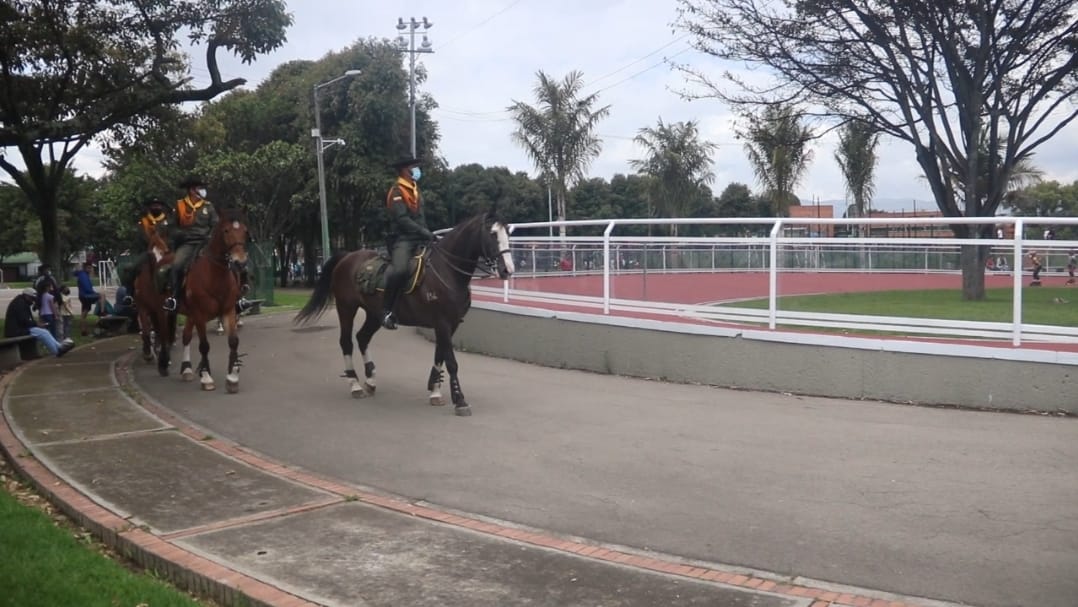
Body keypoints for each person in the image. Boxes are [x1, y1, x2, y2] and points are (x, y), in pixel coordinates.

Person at [381, 156, 436, 330]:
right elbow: (402, 219)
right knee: (400, 271)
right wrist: (423, 231)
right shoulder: (397, 191)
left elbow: (421, 217)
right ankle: (386, 311)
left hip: (420, 238)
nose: (417, 169)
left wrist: (428, 234)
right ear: (405, 170)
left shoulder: (415, 189)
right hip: (403, 240)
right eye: (414, 166)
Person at [164, 175, 218, 311]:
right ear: (192, 190)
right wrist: (181, 235)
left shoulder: (209, 206)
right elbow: (172, 227)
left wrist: (210, 236)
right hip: (188, 243)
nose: (202, 190)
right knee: (177, 265)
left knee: (228, 261)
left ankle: (237, 297)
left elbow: (215, 225)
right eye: (199, 188)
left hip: (206, 243)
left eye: (202, 187)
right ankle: (174, 298)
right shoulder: (179, 205)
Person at [120, 196, 173, 306]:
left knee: (178, 267)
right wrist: (151, 241)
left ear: (161, 207)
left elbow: (172, 235)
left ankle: (175, 296)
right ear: (150, 207)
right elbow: (141, 237)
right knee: (132, 268)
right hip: (148, 250)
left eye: (158, 205)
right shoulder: (143, 221)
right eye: (154, 205)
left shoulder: (167, 221)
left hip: (165, 250)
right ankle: (130, 295)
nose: (156, 207)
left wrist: (165, 246)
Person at [4, 288, 74, 357]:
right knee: (42, 333)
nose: (33, 301)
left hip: (20, 328)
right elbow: (23, 321)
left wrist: (36, 324)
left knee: (44, 331)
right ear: (26, 296)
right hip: (15, 331)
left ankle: (59, 347)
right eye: (32, 299)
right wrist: (36, 324)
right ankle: (56, 350)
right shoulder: (20, 304)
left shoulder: (22, 302)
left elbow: (26, 321)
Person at [73, 262, 100, 336]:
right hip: (86, 296)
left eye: (91, 268)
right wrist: (95, 293)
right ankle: (102, 312)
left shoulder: (83, 275)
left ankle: (83, 330)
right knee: (102, 296)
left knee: (84, 314)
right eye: (89, 268)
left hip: (83, 295)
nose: (90, 269)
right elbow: (87, 288)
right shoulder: (83, 275)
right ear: (85, 268)